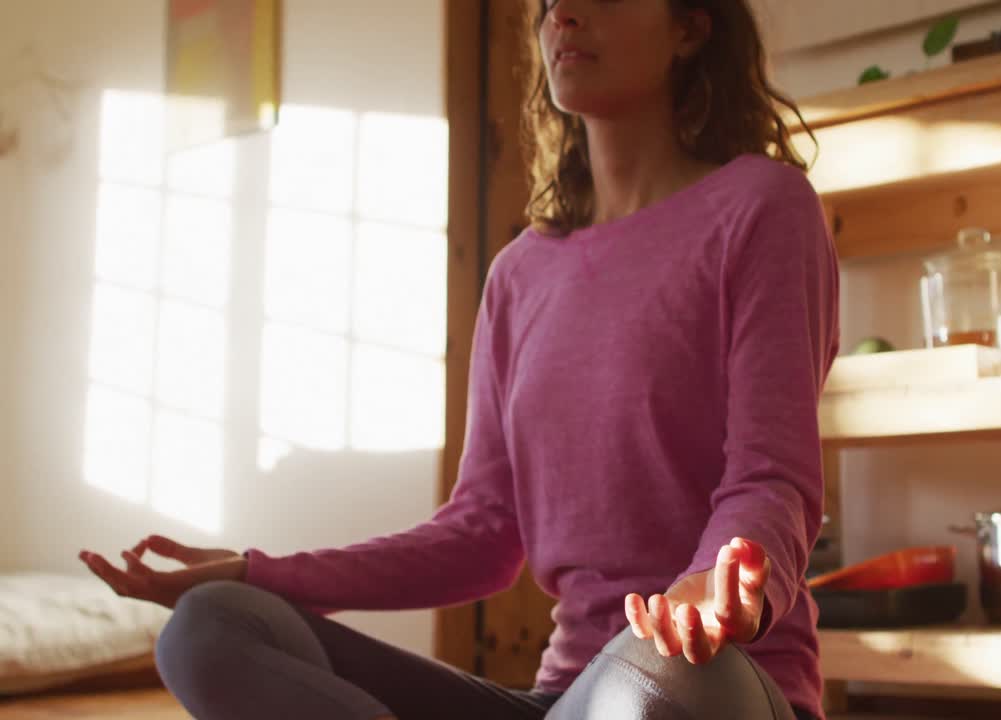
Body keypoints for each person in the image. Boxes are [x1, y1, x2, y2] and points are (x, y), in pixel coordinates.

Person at [79, 0, 839, 717]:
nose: (561, 13)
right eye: (546, 1)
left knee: (673, 675)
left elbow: (772, 478)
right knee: (211, 627)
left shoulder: (762, 209)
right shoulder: (521, 273)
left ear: (690, 29)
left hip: (691, 688)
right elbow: (481, 533)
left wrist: (714, 586)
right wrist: (260, 572)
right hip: (560, 698)